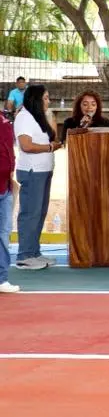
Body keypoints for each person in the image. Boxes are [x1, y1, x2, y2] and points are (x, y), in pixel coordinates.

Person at [13, 84, 62, 270]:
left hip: (44, 170)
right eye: (46, 98)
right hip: (32, 171)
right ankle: (24, 255)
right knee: (30, 213)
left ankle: (34, 252)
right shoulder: (24, 117)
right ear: (37, 99)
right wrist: (49, 148)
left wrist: (49, 117)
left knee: (39, 213)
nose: (49, 101)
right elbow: (26, 145)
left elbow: (52, 137)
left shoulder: (38, 117)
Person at [0, 110, 18, 291]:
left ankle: (1, 279)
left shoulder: (4, 121)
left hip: (5, 187)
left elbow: (9, 150)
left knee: (3, 234)